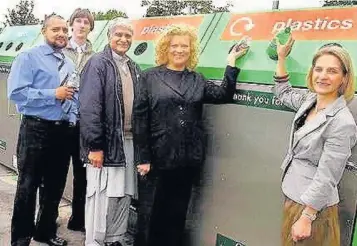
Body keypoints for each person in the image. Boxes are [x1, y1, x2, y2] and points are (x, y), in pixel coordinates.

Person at [133, 24, 247, 246]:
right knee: (151, 216)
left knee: (177, 214)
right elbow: (139, 120)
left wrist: (231, 62)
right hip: (157, 159)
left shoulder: (197, 79)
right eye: (174, 45)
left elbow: (223, 94)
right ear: (166, 48)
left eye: (184, 46)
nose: (179, 50)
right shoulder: (149, 77)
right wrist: (143, 158)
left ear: (191, 49)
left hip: (187, 160)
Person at [273, 36, 357, 245]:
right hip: (294, 196)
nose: (323, 76)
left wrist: (307, 217)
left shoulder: (342, 122)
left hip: (313, 209)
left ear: (344, 79)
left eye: (332, 71)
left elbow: (328, 176)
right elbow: (283, 92)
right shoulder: (310, 101)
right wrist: (282, 57)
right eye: (319, 69)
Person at [8, 14, 75, 246]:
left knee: (54, 187)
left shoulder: (68, 62)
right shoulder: (28, 57)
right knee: (28, 186)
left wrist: (73, 118)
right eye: (56, 29)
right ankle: (21, 239)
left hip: (62, 131)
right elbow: (16, 94)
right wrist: (52, 94)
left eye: (65, 30)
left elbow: (71, 95)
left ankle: (44, 232)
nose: (62, 34)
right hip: (36, 129)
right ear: (43, 31)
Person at [79, 18, 140, 246]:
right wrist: (95, 146)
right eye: (119, 35)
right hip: (104, 144)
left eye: (128, 36)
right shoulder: (98, 63)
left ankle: (115, 237)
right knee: (100, 194)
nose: (123, 39)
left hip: (128, 140)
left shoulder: (132, 65)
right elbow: (89, 107)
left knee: (123, 193)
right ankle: (95, 240)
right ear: (109, 37)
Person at [63, 7, 95, 232]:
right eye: (79, 21)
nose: (82, 25)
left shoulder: (96, 55)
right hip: (61, 119)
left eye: (86, 22)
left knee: (82, 174)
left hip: (84, 121)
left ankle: (79, 219)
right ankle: (45, 220)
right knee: (54, 172)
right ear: (71, 24)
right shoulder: (59, 50)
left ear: (91, 27)